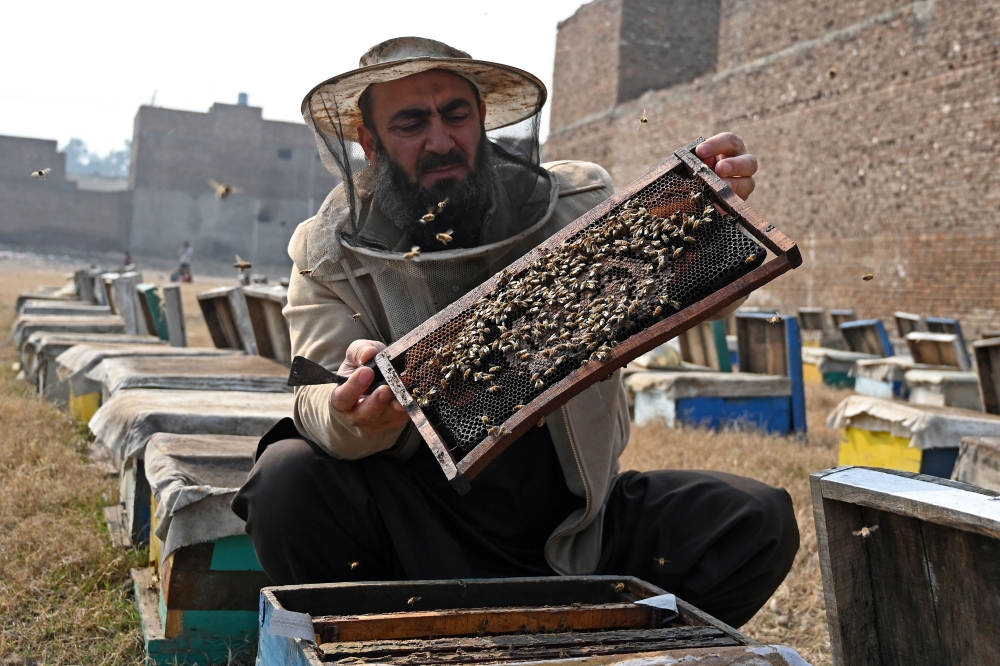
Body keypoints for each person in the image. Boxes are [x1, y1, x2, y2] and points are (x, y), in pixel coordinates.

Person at [232, 37, 797, 628]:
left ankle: (613, 649)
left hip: (577, 529)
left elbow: (679, 302)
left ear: (481, 119)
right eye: (410, 122)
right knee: (285, 482)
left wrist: (697, 227)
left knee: (755, 520)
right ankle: (379, 640)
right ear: (369, 143)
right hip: (418, 529)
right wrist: (355, 415)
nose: (441, 140)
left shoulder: (573, 201)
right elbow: (315, 397)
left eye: (456, 115)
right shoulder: (327, 255)